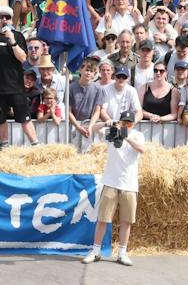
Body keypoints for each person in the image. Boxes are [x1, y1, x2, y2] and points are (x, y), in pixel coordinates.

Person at [79, 108, 146, 267]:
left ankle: (122, 252)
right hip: (110, 182)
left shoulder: (137, 135)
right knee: (103, 218)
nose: (127, 125)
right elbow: (92, 128)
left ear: (133, 124)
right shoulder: (112, 133)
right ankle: (95, 251)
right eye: (124, 122)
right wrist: (107, 123)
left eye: (129, 123)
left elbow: (142, 149)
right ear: (120, 121)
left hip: (129, 184)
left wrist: (127, 136)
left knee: (126, 220)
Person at [0, 4, 38, 146]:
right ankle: (4, 146)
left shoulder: (18, 36)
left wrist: (12, 41)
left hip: (16, 87)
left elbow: (23, 58)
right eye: (2, 17)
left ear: (12, 20)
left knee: (25, 118)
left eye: (7, 17)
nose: (4, 20)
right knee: (0, 119)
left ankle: (36, 145)